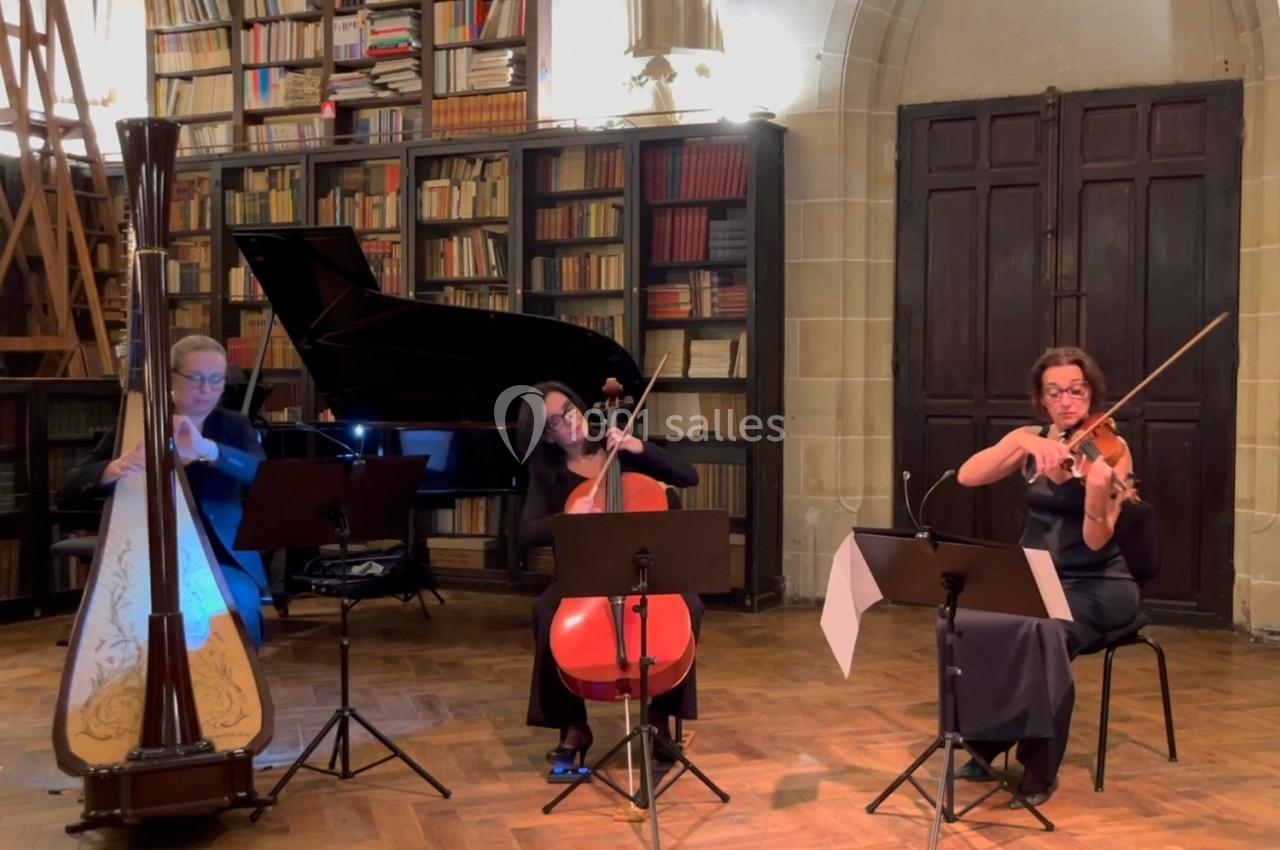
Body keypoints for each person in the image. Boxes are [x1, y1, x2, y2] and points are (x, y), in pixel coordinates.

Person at [952, 346, 1142, 806]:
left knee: (1044, 631)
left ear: (1090, 393)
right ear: (1042, 399)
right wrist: (1022, 441)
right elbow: (967, 476)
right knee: (973, 622)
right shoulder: (1034, 440)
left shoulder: (1110, 450)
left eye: (1077, 391)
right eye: (1055, 392)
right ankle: (987, 740)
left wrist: (1096, 495)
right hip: (1034, 578)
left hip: (1098, 584)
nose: (1067, 401)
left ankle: (1039, 767)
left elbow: (1098, 541)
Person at [516, 381, 701, 772]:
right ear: (545, 437)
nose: (567, 423)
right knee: (546, 612)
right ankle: (573, 726)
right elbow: (527, 531)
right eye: (553, 424)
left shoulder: (621, 448)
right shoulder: (546, 472)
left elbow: (688, 477)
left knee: (691, 609)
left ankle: (660, 717)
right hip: (586, 575)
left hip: (642, 569)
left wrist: (639, 447)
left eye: (568, 410)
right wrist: (566, 520)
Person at [58, 335, 269, 650]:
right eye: (197, 379)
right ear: (172, 378)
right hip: (148, 552)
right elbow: (71, 485)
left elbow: (261, 475)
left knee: (241, 602)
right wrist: (115, 468)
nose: (206, 389)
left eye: (216, 380)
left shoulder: (234, 426)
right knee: (125, 612)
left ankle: (236, 690)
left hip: (219, 554)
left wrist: (208, 450)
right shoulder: (139, 423)